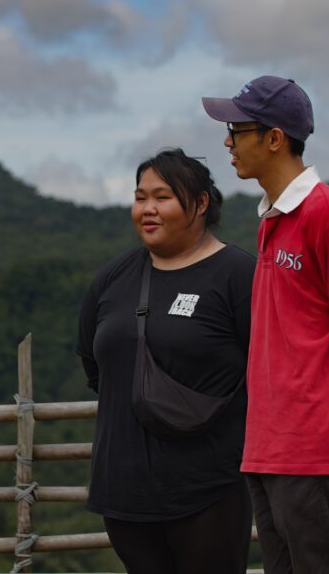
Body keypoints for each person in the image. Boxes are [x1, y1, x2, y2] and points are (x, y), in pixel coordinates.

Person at [202, 76, 329, 573]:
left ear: (274, 138)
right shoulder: (273, 217)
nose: (227, 142)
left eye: (236, 130)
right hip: (271, 442)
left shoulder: (328, 213)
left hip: (313, 442)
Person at [76, 149, 255, 574]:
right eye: (140, 198)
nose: (148, 209)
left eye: (162, 197)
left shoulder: (238, 274)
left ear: (201, 202)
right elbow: (94, 364)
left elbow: (268, 371)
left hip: (209, 488)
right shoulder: (113, 278)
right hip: (124, 491)